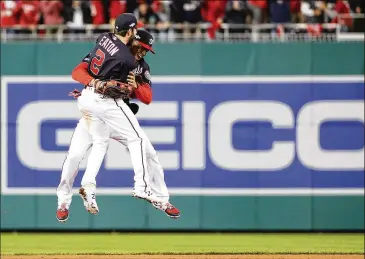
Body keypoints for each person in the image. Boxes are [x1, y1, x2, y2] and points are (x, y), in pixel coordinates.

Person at [56, 27, 180, 222]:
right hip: (96, 113)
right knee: (74, 156)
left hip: (118, 116)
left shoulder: (141, 67)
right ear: (132, 40)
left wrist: (137, 86)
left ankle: (163, 200)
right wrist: (95, 83)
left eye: (147, 50)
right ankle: (63, 201)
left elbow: (148, 98)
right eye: (142, 47)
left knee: (149, 153)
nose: (144, 52)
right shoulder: (110, 53)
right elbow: (78, 71)